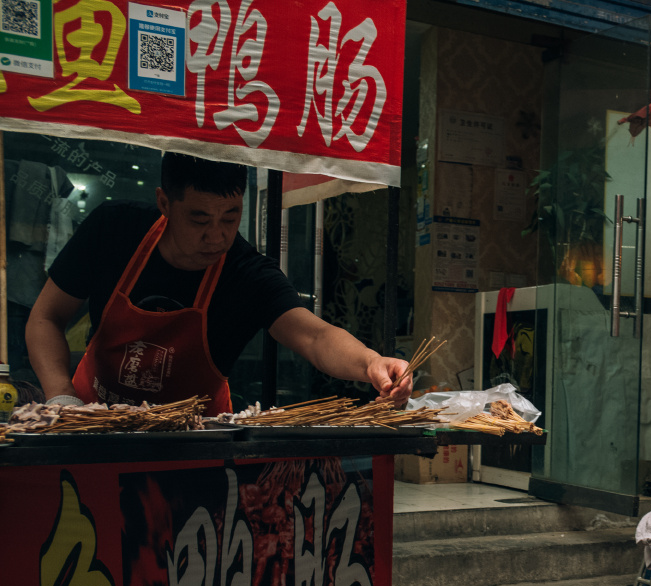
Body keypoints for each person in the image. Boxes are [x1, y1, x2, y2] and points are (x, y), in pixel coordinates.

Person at [25, 153, 412, 414]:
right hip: (94, 421)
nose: (216, 236)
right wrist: (62, 398)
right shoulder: (114, 230)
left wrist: (370, 363)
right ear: (164, 203)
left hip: (196, 445)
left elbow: (314, 336)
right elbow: (45, 318)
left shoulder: (246, 272)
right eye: (199, 219)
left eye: (230, 217)